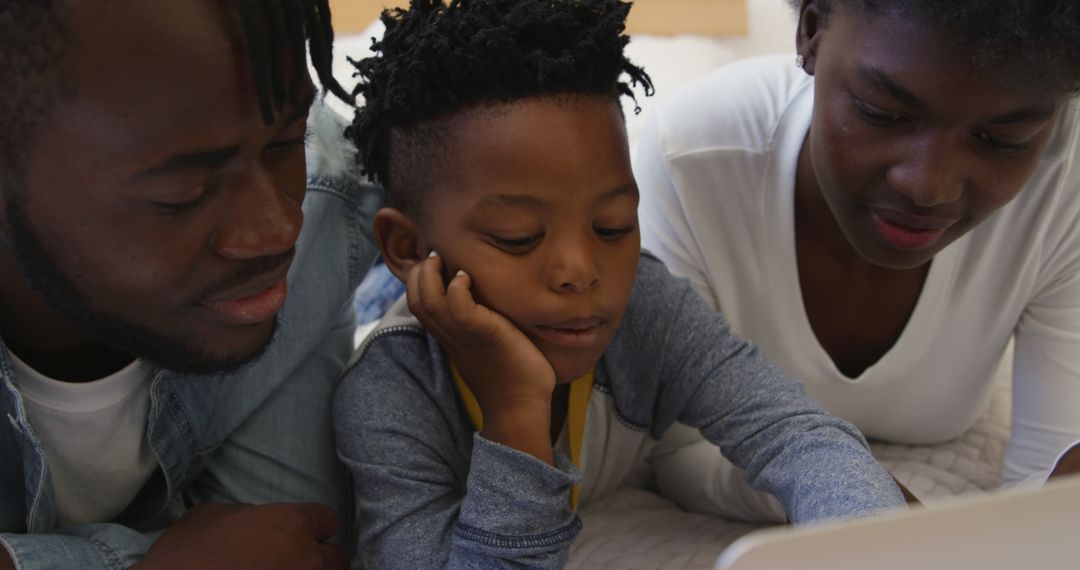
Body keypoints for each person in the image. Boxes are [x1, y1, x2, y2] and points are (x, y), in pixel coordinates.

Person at [333, 1, 907, 567]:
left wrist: (871, 543)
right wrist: (515, 410)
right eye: (518, 237)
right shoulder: (389, 395)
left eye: (612, 226)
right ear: (409, 249)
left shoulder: (645, 307)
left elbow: (795, 434)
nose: (581, 269)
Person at [634, 0, 1080, 522]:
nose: (928, 187)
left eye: (1001, 141)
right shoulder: (691, 158)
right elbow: (677, 450)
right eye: (883, 114)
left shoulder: (1064, 188)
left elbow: (1052, 492)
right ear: (811, 31)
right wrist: (851, 495)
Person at [0, 1, 380, 568]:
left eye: (282, 144)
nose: (279, 229)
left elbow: (291, 545)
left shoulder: (320, 208)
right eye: (180, 195)